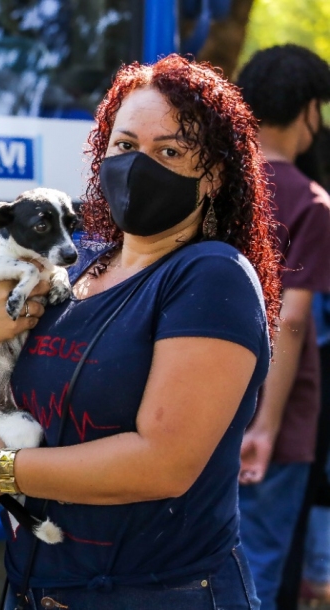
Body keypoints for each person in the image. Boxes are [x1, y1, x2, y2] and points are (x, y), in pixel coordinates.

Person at [0, 54, 281, 609]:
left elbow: (164, 463)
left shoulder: (211, 278)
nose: (140, 166)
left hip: (159, 594)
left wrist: (4, 471)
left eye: (171, 151)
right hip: (35, 588)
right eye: (126, 146)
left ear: (215, 176)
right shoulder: (68, 268)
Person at [234, 45, 330, 610]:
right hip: (276, 418)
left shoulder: (217, 185)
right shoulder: (312, 203)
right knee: (259, 570)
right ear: (309, 111)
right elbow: (291, 321)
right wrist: (267, 427)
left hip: (202, 403)